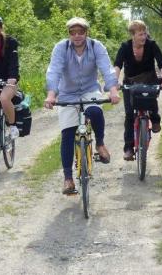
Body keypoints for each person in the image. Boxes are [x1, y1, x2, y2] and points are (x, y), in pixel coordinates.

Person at [44, 17, 120, 194]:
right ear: (69, 34)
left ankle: (100, 144)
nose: (77, 36)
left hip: (89, 89)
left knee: (95, 111)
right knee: (68, 134)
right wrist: (51, 94)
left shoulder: (96, 46)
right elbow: (54, 71)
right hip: (67, 93)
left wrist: (113, 90)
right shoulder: (61, 48)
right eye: (73, 32)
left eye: (81, 32)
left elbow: (107, 69)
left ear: (87, 32)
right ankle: (68, 178)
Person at [114, 19, 162, 161]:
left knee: (150, 104)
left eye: (144, 34)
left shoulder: (152, 45)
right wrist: (115, 83)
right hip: (130, 83)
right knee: (129, 115)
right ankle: (128, 149)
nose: (143, 37)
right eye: (140, 34)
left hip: (149, 80)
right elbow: (117, 66)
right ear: (133, 35)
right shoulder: (125, 47)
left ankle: (155, 119)